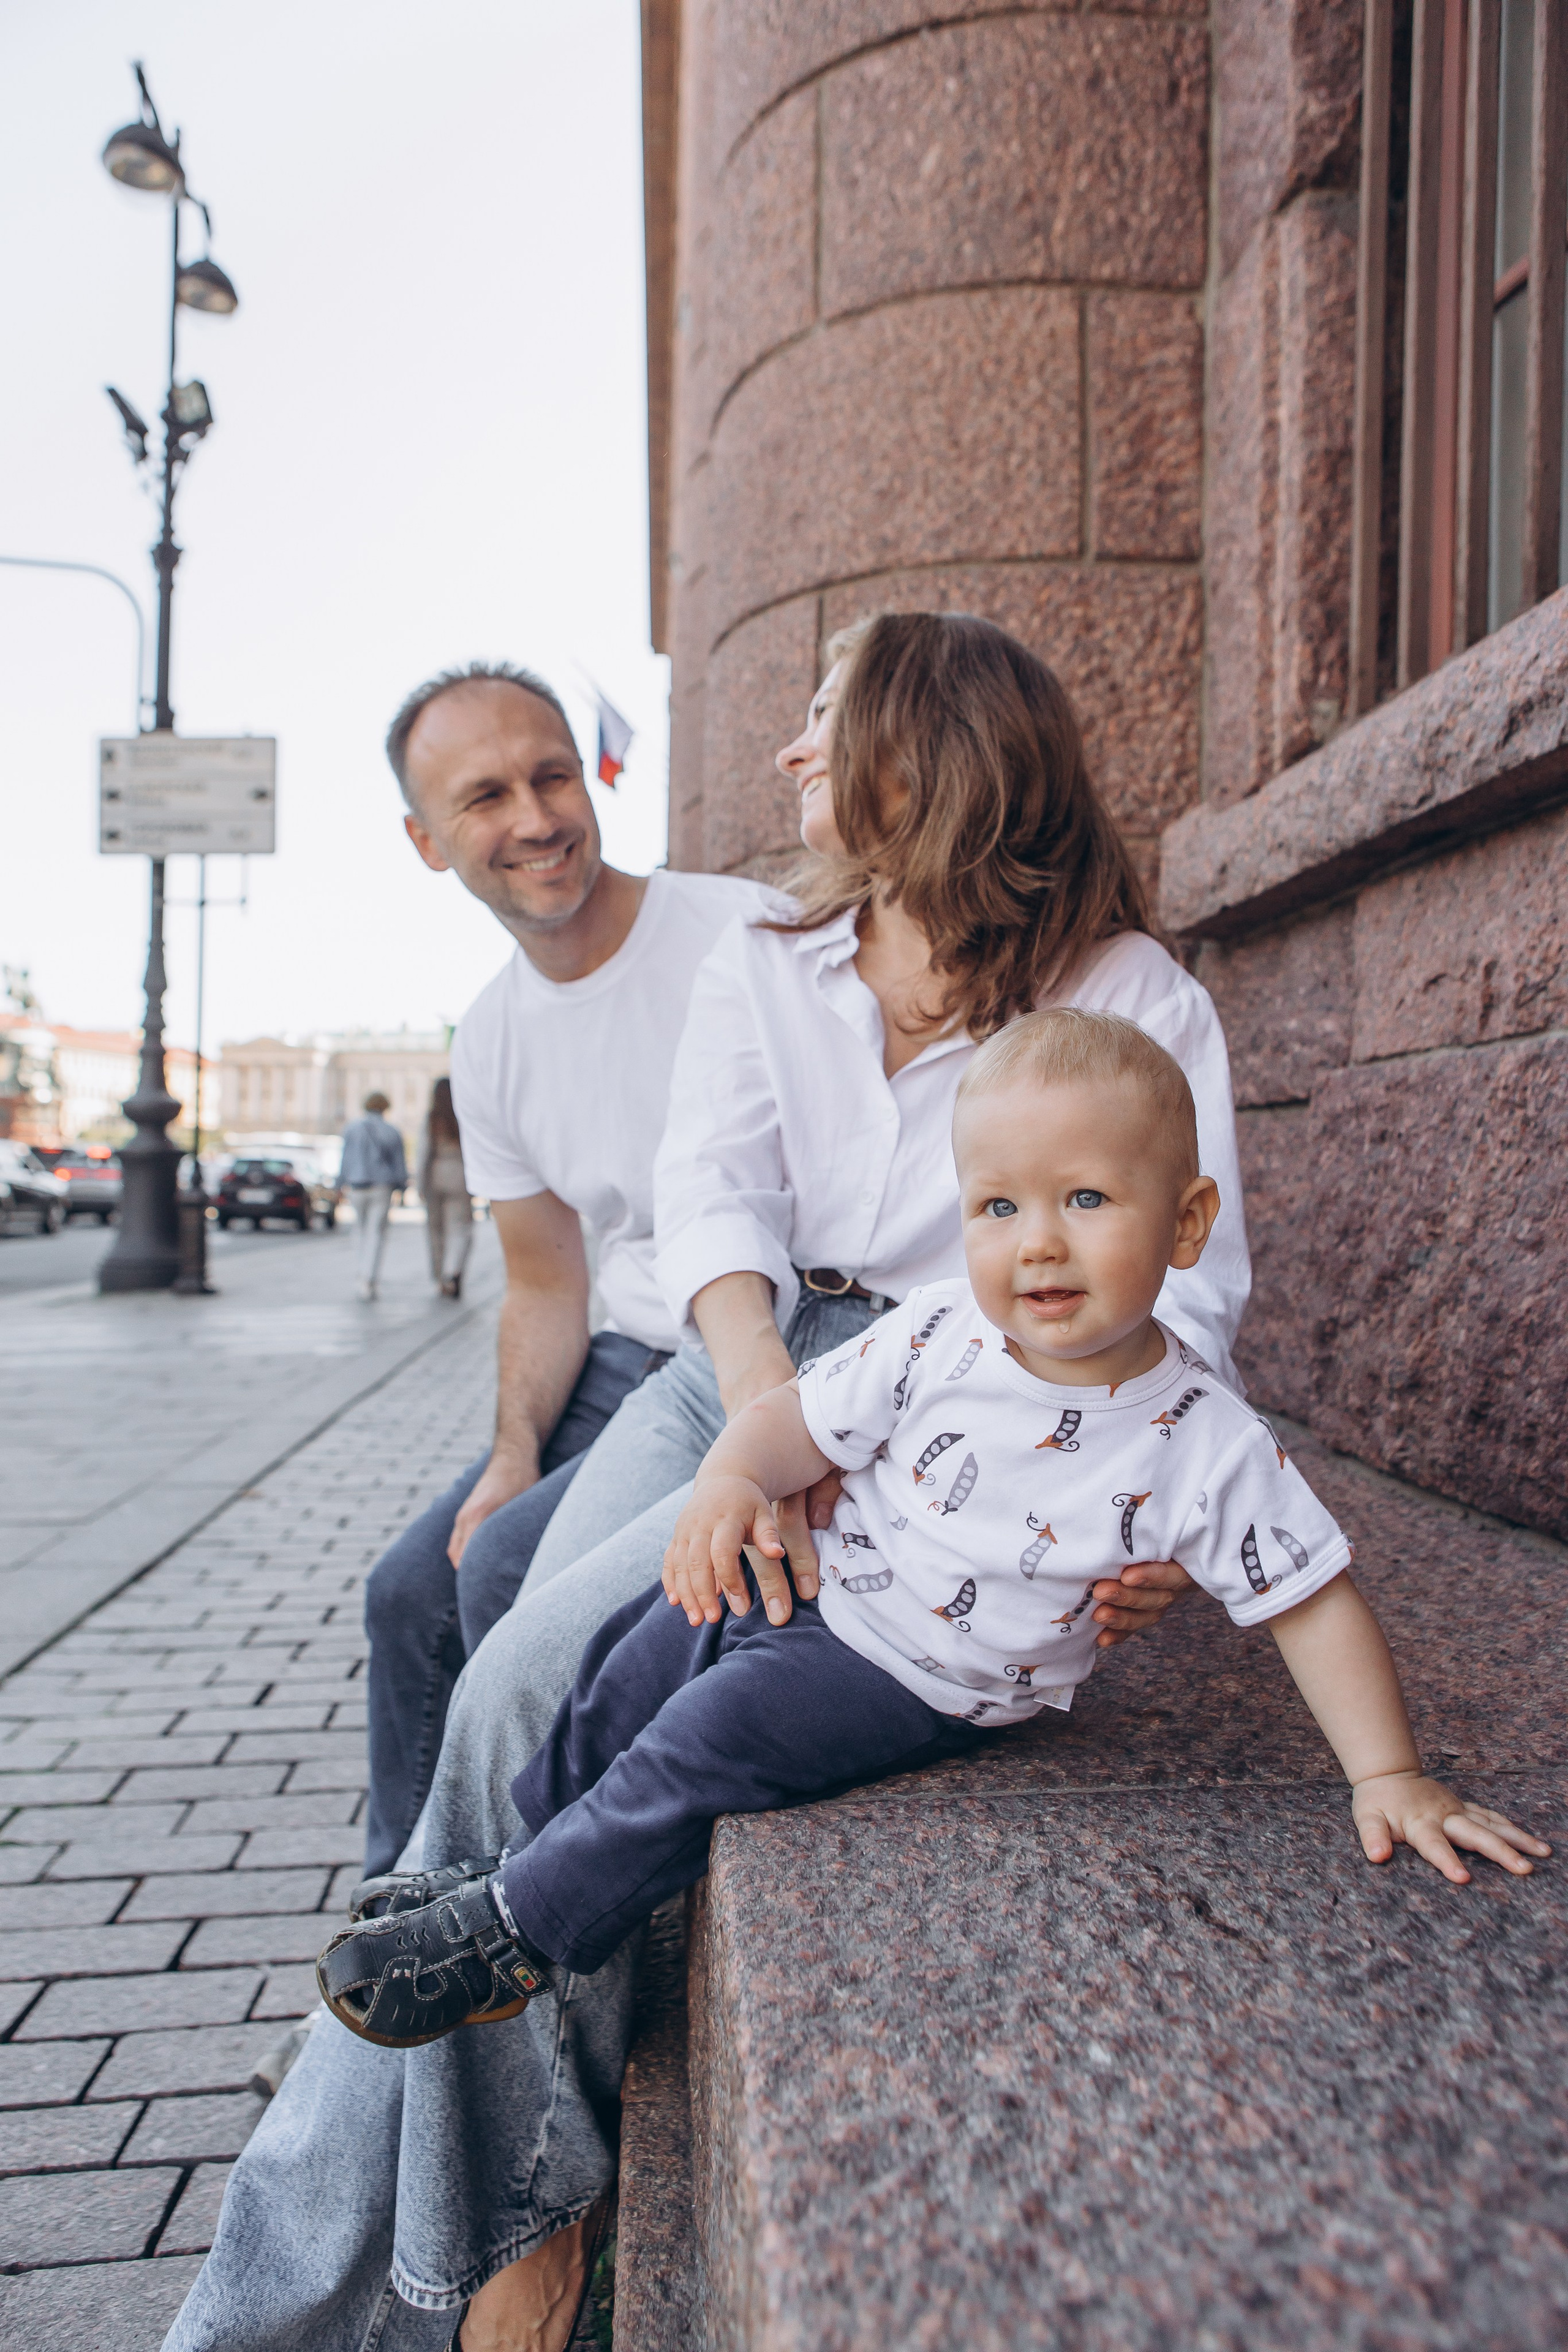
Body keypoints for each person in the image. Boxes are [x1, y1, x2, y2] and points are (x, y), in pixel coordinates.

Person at [166, 614, 1221, 2352]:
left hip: (962, 1413)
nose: (789, 760)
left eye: (824, 724)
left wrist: (1129, 1524)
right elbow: (709, 1210)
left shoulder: (1134, 1002)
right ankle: (485, 2244)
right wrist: (756, 1431)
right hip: (736, 1362)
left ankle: (350, 2291)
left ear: (916, 761)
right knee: (505, 1675)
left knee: (521, 1710)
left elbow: (1200, 1301)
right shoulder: (777, 962)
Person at [314, 1008, 1548, 2048]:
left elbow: (1310, 1597)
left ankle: (524, 1935)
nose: (1038, 1243)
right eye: (997, 1205)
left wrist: (1384, 1774)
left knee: (699, 1746)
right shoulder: (938, 1330)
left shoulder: (1198, 1438)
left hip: (914, 1676)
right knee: (629, 1658)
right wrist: (731, 1482)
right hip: (812, 1589)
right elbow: (795, 1423)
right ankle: (520, 1852)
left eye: (1083, 1199)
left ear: (1182, 1225)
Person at [356, 661, 766, 1884]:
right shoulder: (486, 1038)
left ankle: (522, 1906)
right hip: (614, 1363)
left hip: (743, 1350)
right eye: (484, 797)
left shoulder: (739, 931)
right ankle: (398, 1910)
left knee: (499, 1570)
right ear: (428, 841)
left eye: (551, 775)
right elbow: (543, 1282)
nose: (534, 819)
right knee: (404, 1593)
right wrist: (511, 1451)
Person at [340, 1090, 408, 1301]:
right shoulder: (391, 1131)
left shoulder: (352, 1129)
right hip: (382, 1187)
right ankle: (370, 1277)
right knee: (377, 1233)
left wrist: (339, 1184)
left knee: (359, 1230)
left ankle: (362, 1274)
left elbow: (345, 1160)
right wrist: (403, 1187)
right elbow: (399, 1164)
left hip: (358, 1187)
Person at [420, 1077, 474, 1298]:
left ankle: (440, 1276)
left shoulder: (432, 1119)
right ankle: (455, 1269)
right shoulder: (464, 1117)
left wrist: (421, 1184)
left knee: (436, 1230)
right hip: (460, 1173)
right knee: (461, 1227)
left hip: (436, 1172)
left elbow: (423, 1152)